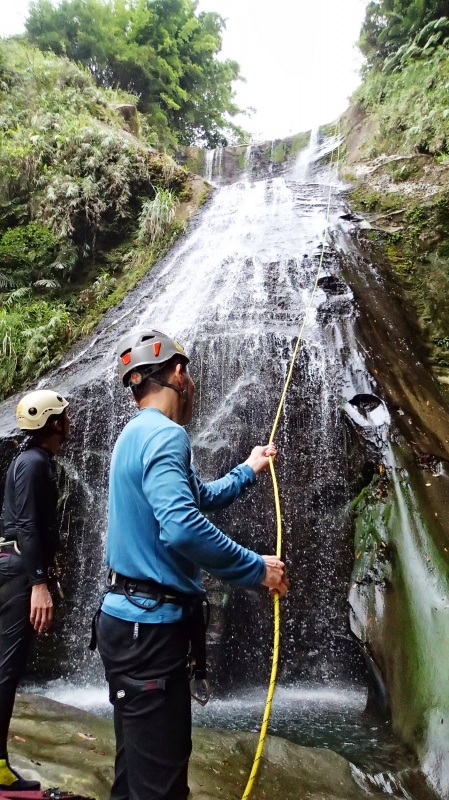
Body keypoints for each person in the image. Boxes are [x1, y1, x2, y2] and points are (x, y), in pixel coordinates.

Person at [95, 328, 288, 800]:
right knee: (160, 784)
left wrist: (248, 469)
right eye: (191, 373)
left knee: (136, 771)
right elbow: (181, 527)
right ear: (179, 375)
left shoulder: (135, 434)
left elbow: (194, 499)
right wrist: (254, 568)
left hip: (128, 624)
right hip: (151, 632)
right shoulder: (167, 436)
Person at [0, 390, 70, 791]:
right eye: (64, 415)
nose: (69, 420)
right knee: (7, 670)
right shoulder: (32, 463)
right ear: (54, 422)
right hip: (19, 571)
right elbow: (26, 526)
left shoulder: (31, 460)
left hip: (14, 565)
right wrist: (39, 583)